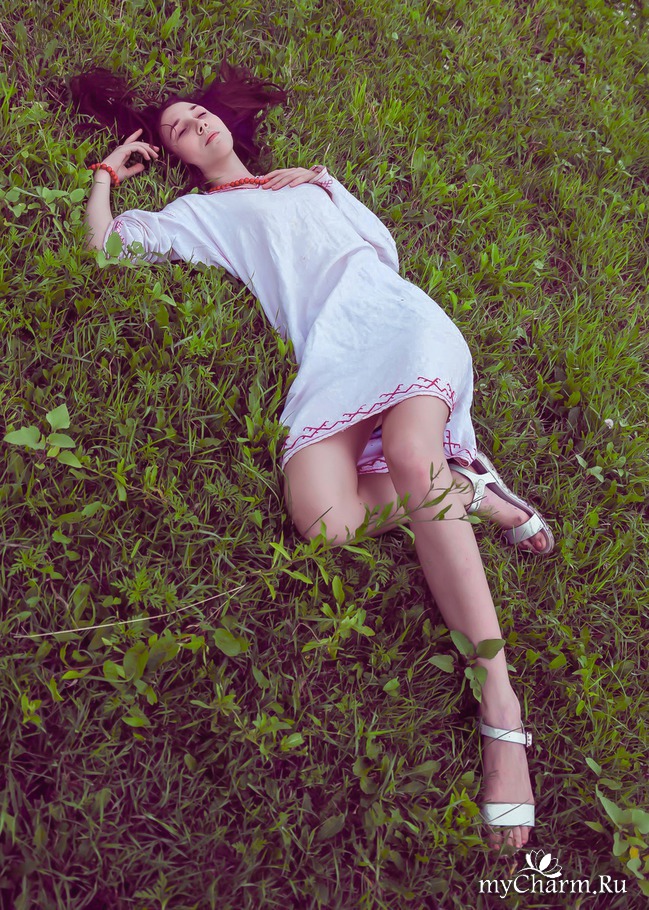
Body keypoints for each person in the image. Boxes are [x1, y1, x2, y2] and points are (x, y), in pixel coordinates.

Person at [69, 60, 555, 851]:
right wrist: (105, 175)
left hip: (397, 322)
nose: (195, 124)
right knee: (326, 524)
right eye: (176, 129)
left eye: (199, 113)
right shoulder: (198, 216)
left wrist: (324, 181)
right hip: (329, 357)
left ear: (227, 122)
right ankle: (469, 491)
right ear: (172, 155)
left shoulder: (311, 183)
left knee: (410, 456)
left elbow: (381, 250)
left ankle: (500, 710)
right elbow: (104, 248)